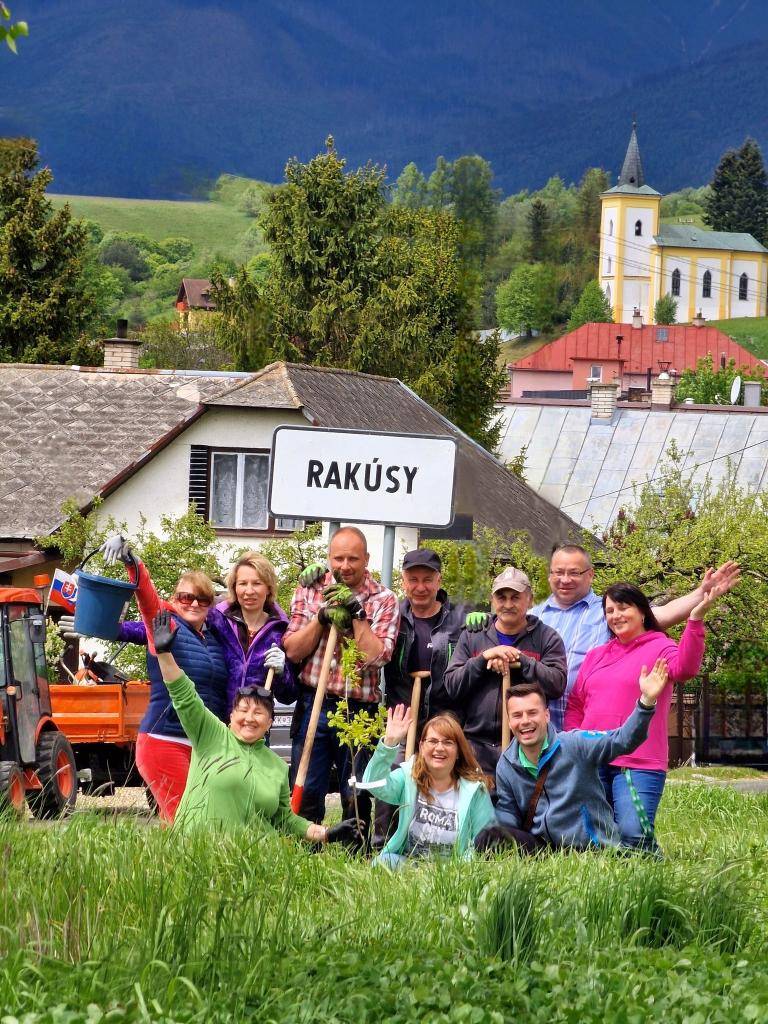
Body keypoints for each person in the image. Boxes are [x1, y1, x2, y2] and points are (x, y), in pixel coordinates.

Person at [149, 609, 363, 848]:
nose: (249, 718)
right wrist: (164, 654)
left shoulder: (277, 767)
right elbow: (184, 696)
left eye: (259, 712)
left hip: (251, 858)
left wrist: (327, 833)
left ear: (270, 723)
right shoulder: (211, 735)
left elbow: (285, 819)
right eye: (243, 710)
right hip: (197, 852)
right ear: (232, 715)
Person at [472, 544, 739, 731]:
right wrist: (478, 620)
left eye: (574, 572)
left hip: (588, 728)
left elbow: (661, 614)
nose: (565, 579)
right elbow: (500, 627)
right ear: (550, 575)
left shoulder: (609, 612)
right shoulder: (533, 615)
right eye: (558, 572)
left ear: (590, 574)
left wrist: (701, 593)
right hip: (539, 728)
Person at [563, 580, 723, 850]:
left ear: (642, 612)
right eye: (610, 610)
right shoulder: (596, 655)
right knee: (597, 838)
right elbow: (577, 703)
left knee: (633, 835)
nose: (616, 615)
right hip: (593, 760)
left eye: (623, 608)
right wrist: (575, 742)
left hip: (637, 761)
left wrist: (695, 620)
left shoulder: (660, 647)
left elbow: (685, 668)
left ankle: (655, 867)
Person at [95, 535, 230, 823]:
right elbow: (146, 596)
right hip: (165, 739)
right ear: (174, 600)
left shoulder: (217, 640)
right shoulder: (163, 625)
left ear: (211, 605)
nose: (193, 603)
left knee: (204, 821)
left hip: (204, 744)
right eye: (186, 597)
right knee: (185, 819)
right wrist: (131, 560)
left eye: (202, 599)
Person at [283, 526, 400, 823]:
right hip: (314, 703)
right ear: (329, 558)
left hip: (359, 710)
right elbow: (293, 650)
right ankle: (304, 845)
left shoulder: (384, 599)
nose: (345, 566)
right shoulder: (310, 589)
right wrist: (321, 617)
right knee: (306, 787)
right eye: (338, 558)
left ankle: (354, 846)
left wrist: (357, 615)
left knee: (355, 794)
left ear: (366, 559)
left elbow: (378, 657)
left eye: (353, 559)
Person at [488, 663, 669, 853]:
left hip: (591, 849)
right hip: (546, 851)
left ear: (546, 715)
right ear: (510, 721)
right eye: (517, 715)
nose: (525, 721)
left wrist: (646, 702)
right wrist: (504, 836)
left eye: (532, 713)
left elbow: (622, 740)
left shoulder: (575, 744)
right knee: (488, 837)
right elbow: (508, 811)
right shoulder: (506, 764)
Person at [443, 567, 567, 774]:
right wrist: (482, 660)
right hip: (475, 746)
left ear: (530, 600)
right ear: (492, 600)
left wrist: (521, 660)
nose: (508, 604)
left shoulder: (547, 637)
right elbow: (452, 686)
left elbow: (557, 684)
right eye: (501, 597)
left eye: (515, 597)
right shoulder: (473, 635)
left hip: (526, 746)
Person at [362, 705, 495, 867]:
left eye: (448, 742)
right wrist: (389, 744)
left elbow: (483, 842)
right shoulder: (409, 777)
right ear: (421, 747)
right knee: (382, 863)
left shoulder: (475, 791)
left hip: (454, 871)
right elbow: (374, 784)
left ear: (458, 751)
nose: (439, 748)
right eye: (432, 741)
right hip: (409, 865)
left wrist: (455, 872)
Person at [206, 551, 297, 709]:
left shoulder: (281, 630)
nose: (249, 591)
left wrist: (282, 673)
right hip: (217, 719)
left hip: (256, 719)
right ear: (234, 588)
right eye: (242, 583)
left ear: (268, 588)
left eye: (257, 583)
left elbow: (288, 697)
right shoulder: (216, 620)